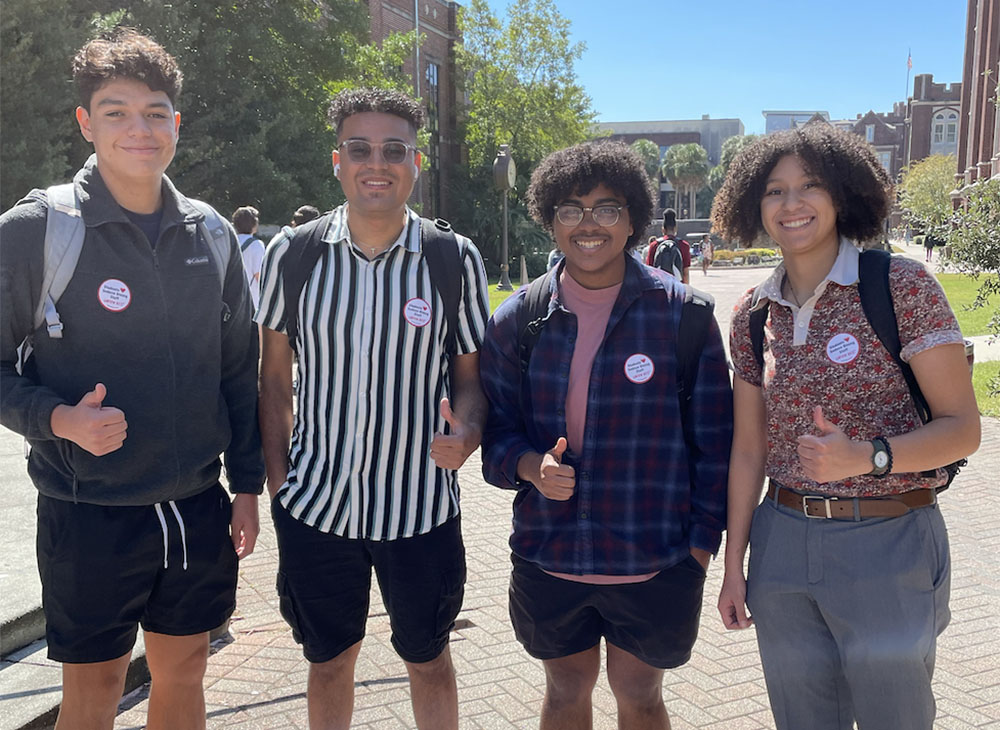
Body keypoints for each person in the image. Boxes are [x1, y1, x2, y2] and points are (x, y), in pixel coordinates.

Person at [0, 29, 263, 730]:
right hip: (88, 515)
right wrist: (58, 419)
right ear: (85, 123)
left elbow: (238, 369)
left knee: (184, 676)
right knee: (93, 697)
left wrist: (245, 486)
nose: (139, 129)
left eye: (155, 111)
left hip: (194, 508)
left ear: (177, 122)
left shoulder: (209, 234)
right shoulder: (38, 228)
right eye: (115, 112)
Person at [712, 123, 980, 730]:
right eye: (775, 191)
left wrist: (869, 455)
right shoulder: (752, 313)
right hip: (780, 544)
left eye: (810, 186)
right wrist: (735, 564)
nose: (792, 203)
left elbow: (963, 428)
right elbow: (748, 449)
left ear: (842, 196)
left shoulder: (900, 286)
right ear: (756, 205)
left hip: (887, 540)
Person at [256, 87, 489, 730]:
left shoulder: (453, 259)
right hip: (316, 508)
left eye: (394, 149)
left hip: (420, 509)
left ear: (417, 163)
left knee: (430, 657)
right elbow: (273, 384)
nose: (376, 163)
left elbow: (472, 378)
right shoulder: (293, 256)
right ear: (338, 161)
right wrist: (281, 489)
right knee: (329, 661)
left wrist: (467, 430)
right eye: (360, 149)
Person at [480, 141, 733, 730]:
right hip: (551, 556)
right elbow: (495, 432)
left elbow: (715, 449)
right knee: (566, 692)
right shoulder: (518, 320)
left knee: (640, 696)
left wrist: (698, 551)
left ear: (632, 219)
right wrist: (527, 466)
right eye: (570, 208)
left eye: (606, 208)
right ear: (549, 218)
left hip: (655, 558)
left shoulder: (685, 317)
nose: (588, 223)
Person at [644, 208, 691, 282]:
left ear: (663, 229)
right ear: (675, 229)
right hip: (677, 288)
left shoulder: (654, 245)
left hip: (659, 288)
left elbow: (649, 271)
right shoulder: (684, 245)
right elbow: (685, 273)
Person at [232, 205, 265, 310]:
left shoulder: (231, 241)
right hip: (251, 299)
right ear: (254, 224)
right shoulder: (256, 244)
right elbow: (258, 274)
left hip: (232, 296)